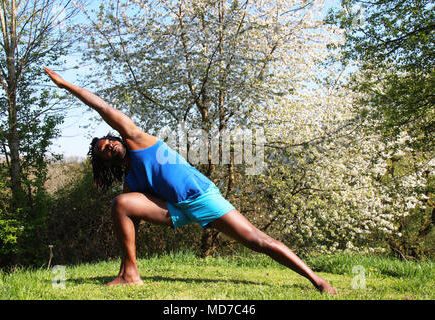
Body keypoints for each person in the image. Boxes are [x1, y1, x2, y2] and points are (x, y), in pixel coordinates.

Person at [44, 67, 337, 294]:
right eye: (104, 154)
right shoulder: (131, 180)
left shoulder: (136, 138)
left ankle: (317, 280)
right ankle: (129, 274)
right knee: (121, 204)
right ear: (108, 164)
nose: (108, 149)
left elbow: (103, 108)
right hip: (174, 210)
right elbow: (132, 216)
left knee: (256, 240)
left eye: (107, 144)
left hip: (202, 198)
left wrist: (66, 85)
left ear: (114, 137)